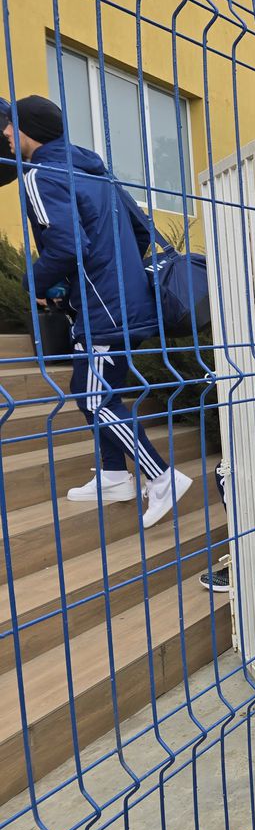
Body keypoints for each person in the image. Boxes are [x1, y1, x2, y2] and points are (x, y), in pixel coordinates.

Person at [4, 96, 190, 528]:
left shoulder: (39, 175)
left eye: (11, 126)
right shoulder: (95, 172)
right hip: (130, 302)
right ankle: (111, 476)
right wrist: (115, 272)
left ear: (27, 129)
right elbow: (143, 229)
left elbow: (66, 247)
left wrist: (36, 283)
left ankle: (161, 479)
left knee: (94, 397)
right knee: (101, 390)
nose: (8, 134)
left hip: (102, 310)